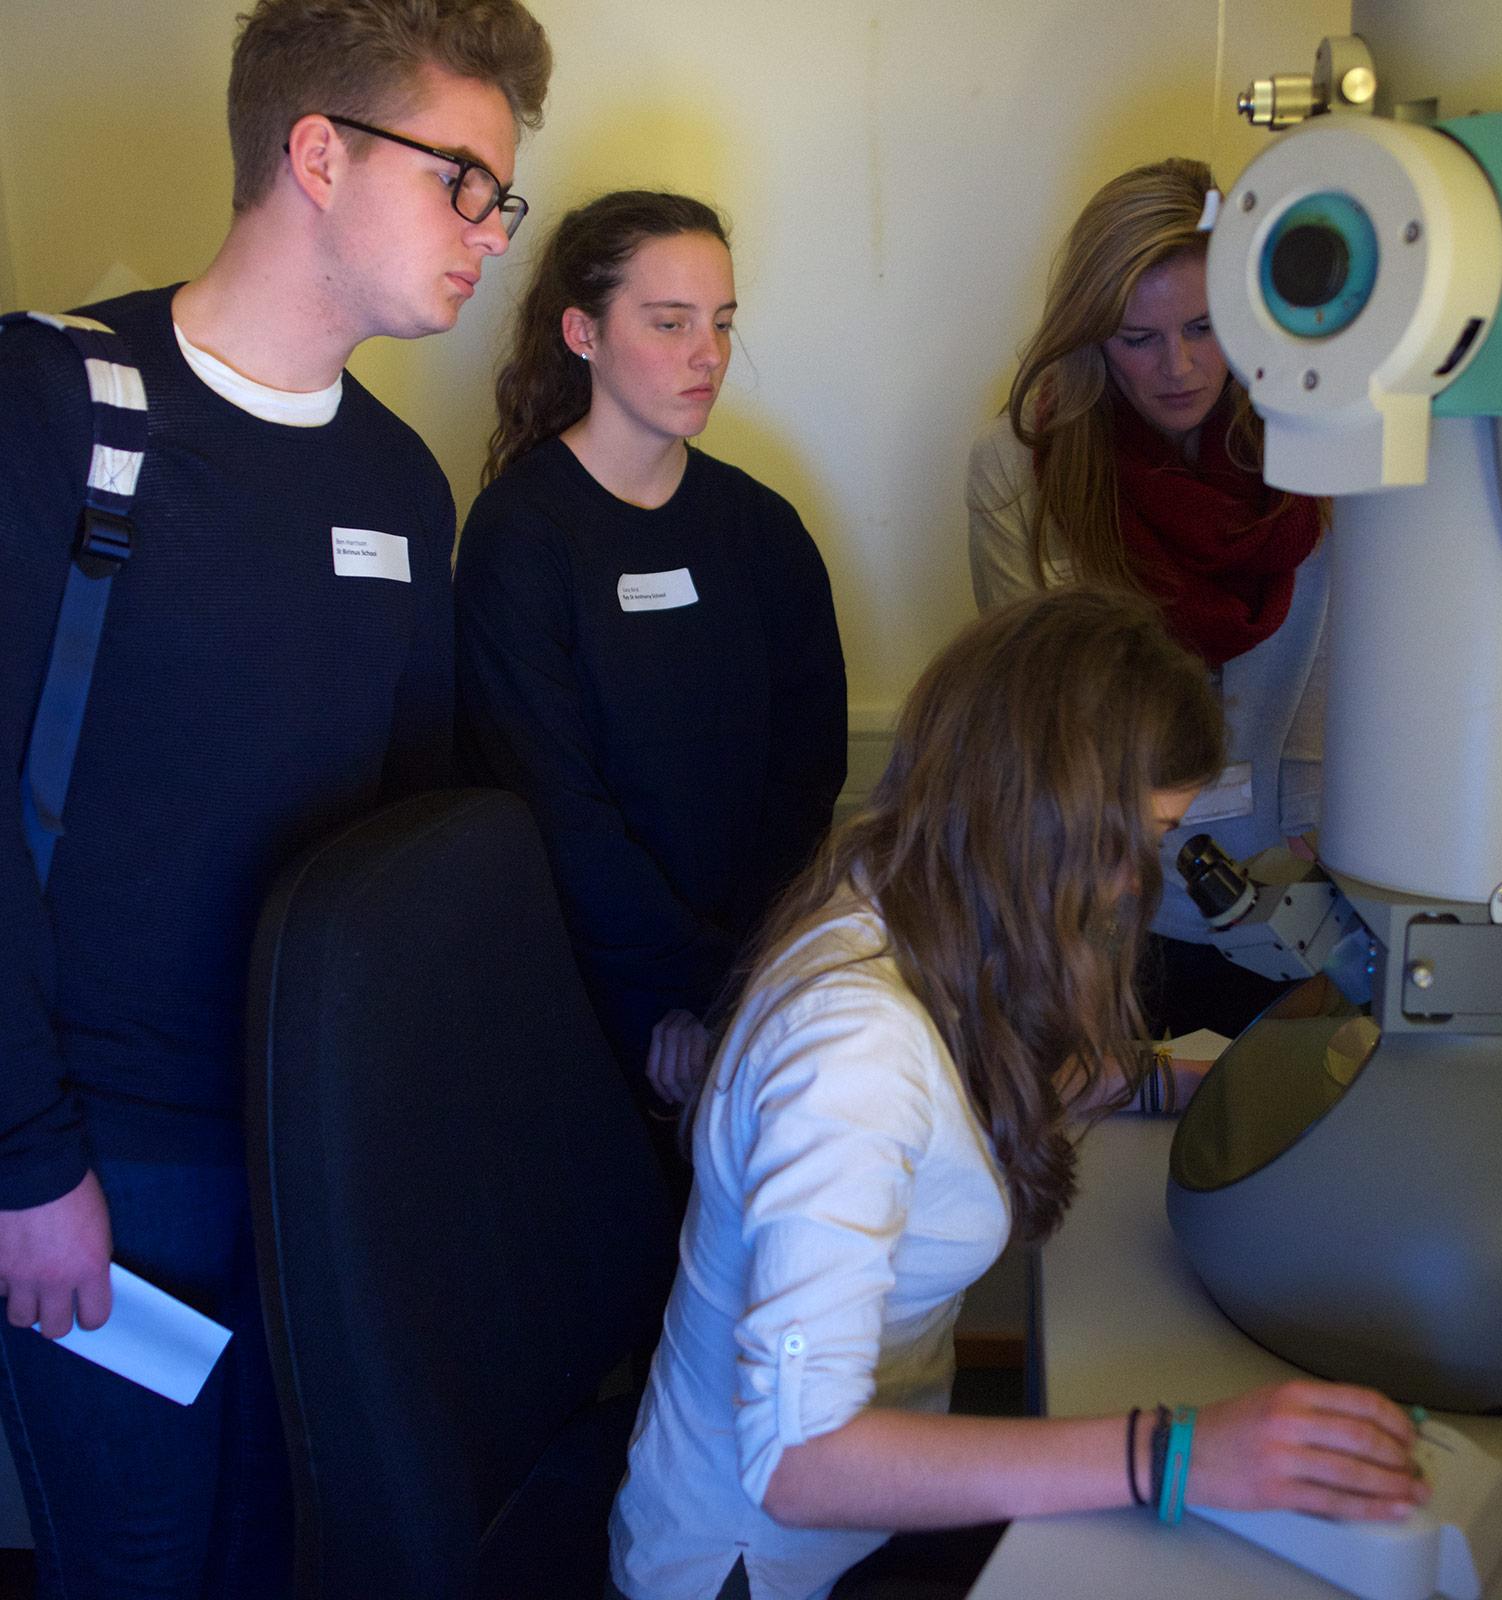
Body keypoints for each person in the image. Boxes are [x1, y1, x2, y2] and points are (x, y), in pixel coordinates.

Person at [0, 1, 551, 1591]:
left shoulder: (398, 482)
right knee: (140, 1563)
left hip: (305, 1152)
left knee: (282, 1548)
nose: (491, 236)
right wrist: (27, 1165)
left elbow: (410, 850)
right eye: (464, 182)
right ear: (318, 153)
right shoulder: (60, 408)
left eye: (500, 198)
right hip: (104, 1161)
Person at [607, 589, 1423, 1600]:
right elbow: (800, 1464)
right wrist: (1175, 1453)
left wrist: (1199, 1084)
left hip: (857, 1523)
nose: (1138, 881)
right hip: (760, 1564)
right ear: (1053, 821)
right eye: (1145, 837)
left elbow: (1009, 1069)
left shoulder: (907, 884)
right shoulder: (850, 1052)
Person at [456, 190, 847, 1151]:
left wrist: (733, 989)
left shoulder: (763, 530)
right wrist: (676, 994)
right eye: (670, 323)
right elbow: (554, 805)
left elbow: (807, 773)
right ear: (582, 333)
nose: (707, 354)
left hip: (754, 987)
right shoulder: (522, 535)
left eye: (720, 324)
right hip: (583, 999)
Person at [967, 157, 1329, 1038]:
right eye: (1139, 338)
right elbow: (1037, 726)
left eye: (1205, 328)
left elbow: (1363, 682)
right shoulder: (1019, 473)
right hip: (1108, 917)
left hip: (1310, 910)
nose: (1180, 366)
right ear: (1090, 336)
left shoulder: (1328, 455)